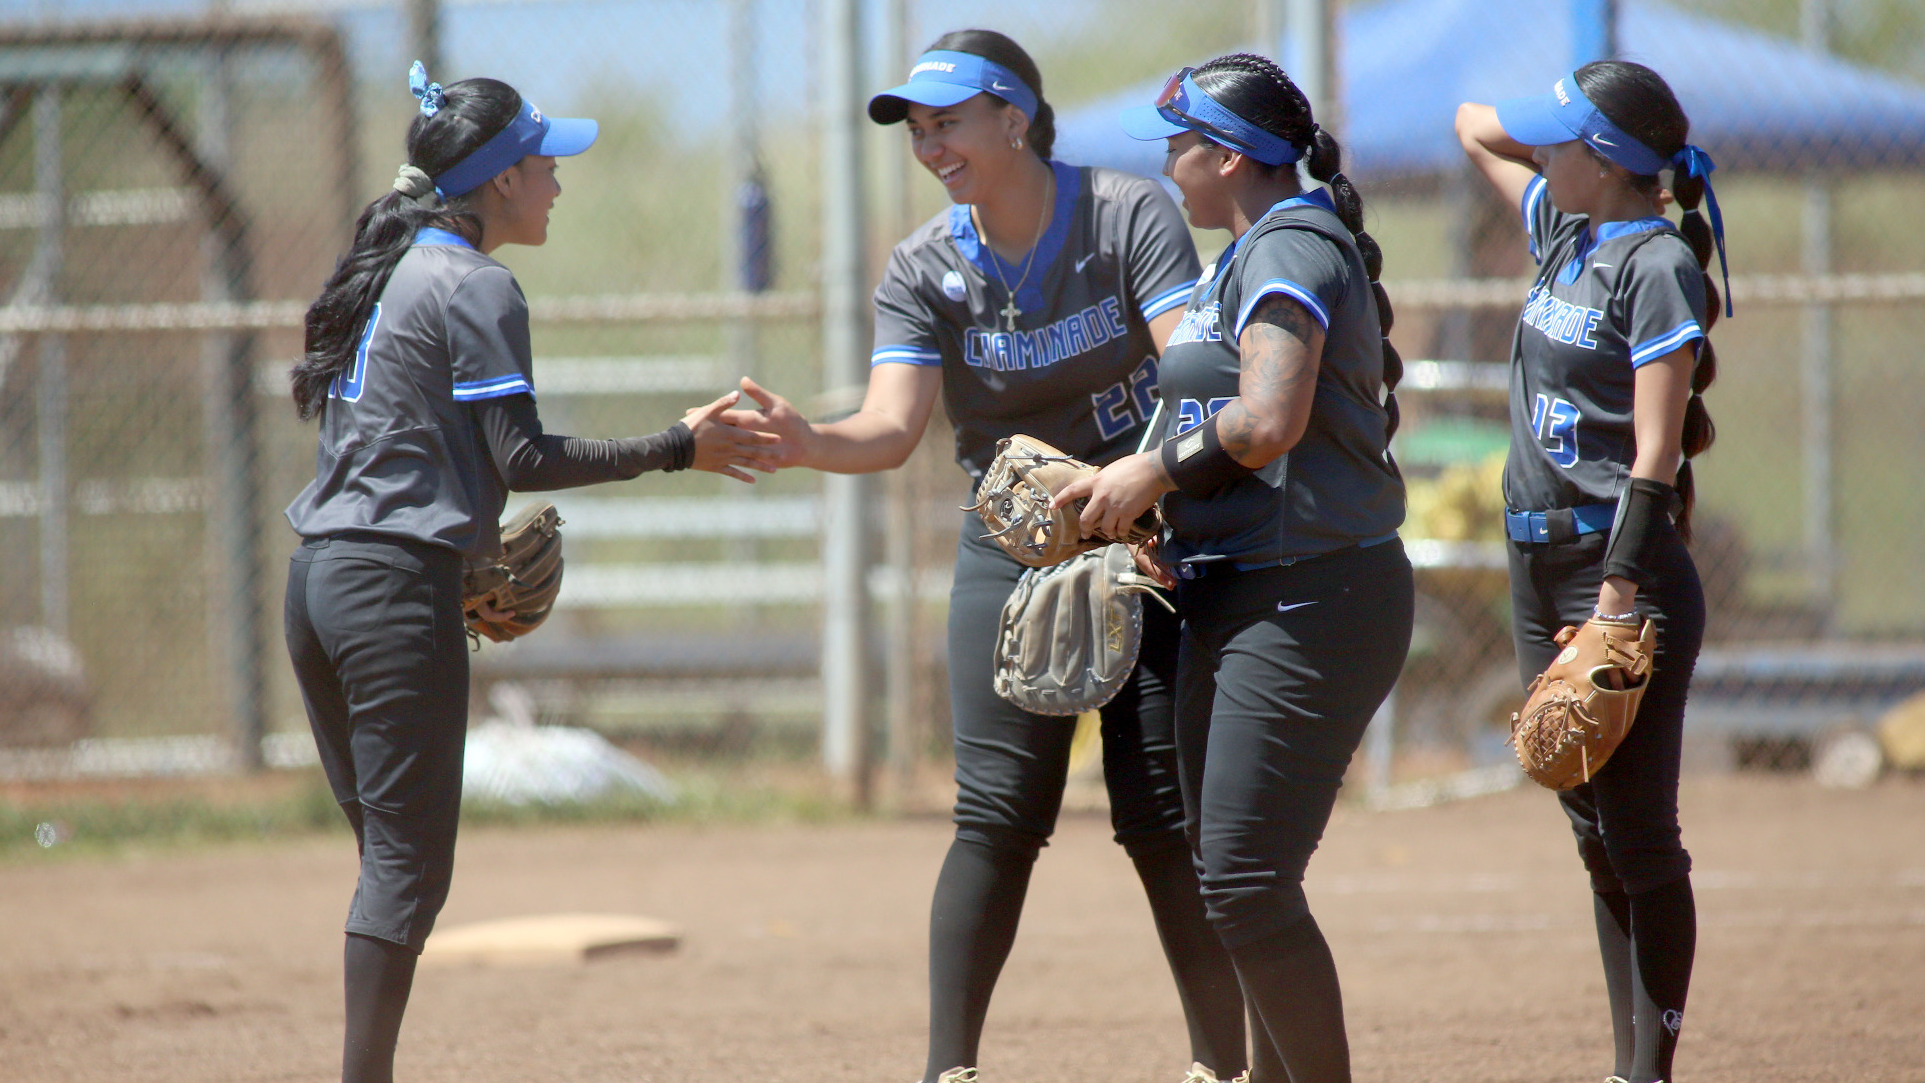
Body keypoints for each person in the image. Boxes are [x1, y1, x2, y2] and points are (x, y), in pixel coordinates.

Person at [726, 29, 1249, 1083]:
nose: (930, 145)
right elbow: (889, 425)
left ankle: (1219, 1064)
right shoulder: (925, 264)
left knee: (1159, 815)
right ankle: (947, 1071)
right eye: (918, 131)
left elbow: (1190, 364)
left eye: (948, 121)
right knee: (996, 815)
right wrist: (809, 443)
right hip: (1010, 545)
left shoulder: (1122, 214)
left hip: (1143, 532)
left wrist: (1143, 491)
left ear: (1014, 117)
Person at [282, 65, 774, 1083]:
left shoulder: (392, 271)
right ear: (500, 180)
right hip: (390, 594)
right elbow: (525, 461)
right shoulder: (476, 284)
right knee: (407, 874)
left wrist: (452, 545)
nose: (556, 180)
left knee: (386, 861)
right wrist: (676, 444)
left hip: (320, 582)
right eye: (543, 163)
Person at [1061, 53, 1413, 1083]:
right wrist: (1139, 511)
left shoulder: (1291, 245)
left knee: (1247, 885)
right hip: (1236, 587)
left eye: (1177, 143)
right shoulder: (1239, 258)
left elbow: (1268, 420)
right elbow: (1221, 430)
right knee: (1229, 874)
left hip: (1311, 593)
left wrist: (1148, 472)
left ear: (1224, 156)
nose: (1168, 161)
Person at [1456, 59, 1725, 1083]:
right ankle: (1625, 1071)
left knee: (1637, 835)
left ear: (1607, 162)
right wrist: (1555, 135)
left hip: (1618, 573)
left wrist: (1613, 594)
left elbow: (1654, 453)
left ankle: (1645, 1071)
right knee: (1589, 834)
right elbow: (1471, 124)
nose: (1542, 152)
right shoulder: (1565, 229)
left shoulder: (1653, 263)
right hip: (1534, 565)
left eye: (1562, 139)